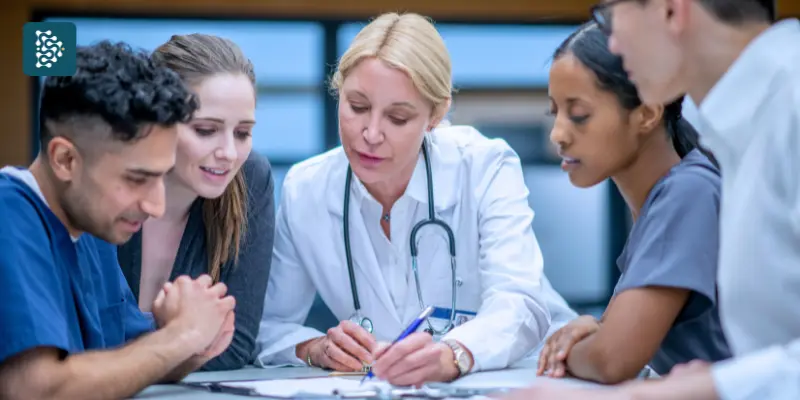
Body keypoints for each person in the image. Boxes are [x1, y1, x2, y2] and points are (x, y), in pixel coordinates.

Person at [253, 12, 576, 387]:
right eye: (356, 107)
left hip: (530, 374)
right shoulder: (306, 188)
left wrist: (454, 353)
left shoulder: (484, 165)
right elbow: (269, 325)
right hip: (389, 386)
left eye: (398, 117)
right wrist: (315, 347)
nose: (370, 133)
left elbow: (520, 302)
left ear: (435, 115)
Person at [501, 0, 800, 399]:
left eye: (610, 14)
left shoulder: (788, 109)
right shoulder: (744, 131)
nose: (615, 42)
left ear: (671, 10)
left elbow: (614, 359)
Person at [0, 41, 236, 400]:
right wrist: (179, 337)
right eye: (136, 179)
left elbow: (128, 359)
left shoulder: (92, 228)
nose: (156, 206)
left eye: (163, 176)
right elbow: (36, 389)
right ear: (65, 159)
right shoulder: (9, 217)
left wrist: (194, 344)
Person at [534, 21, 730, 385]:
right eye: (555, 113)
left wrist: (568, 349)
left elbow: (613, 359)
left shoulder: (688, 193)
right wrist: (594, 329)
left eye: (578, 114)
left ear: (648, 113)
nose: (557, 134)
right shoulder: (661, 200)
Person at [117, 33, 275, 371]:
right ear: (155, 121)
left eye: (243, 133)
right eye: (205, 130)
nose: (229, 154)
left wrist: (152, 349)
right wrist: (184, 340)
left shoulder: (250, 178)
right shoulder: (104, 187)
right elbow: (82, 344)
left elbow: (235, 347)